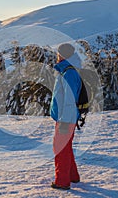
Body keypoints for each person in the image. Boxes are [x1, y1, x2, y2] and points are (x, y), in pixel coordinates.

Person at [50, 43, 82, 190]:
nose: (57, 56)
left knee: (60, 148)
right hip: (66, 117)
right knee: (66, 147)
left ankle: (62, 181)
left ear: (63, 55)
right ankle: (72, 176)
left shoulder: (68, 73)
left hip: (66, 118)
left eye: (58, 54)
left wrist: (64, 121)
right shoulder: (68, 71)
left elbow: (69, 100)